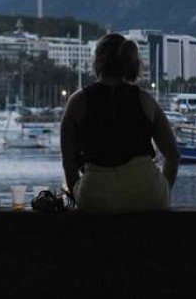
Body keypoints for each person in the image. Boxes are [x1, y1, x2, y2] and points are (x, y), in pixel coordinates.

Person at [60, 33, 181, 213]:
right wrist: (163, 190)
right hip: (148, 191)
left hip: (96, 194)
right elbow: (173, 156)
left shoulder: (78, 101)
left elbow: (68, 161)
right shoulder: (145, 100)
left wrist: (78, 192)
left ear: (98, 61)